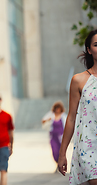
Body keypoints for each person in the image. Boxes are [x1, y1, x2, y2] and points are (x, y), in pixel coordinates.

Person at [58, 29, 97, 184]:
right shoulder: (79, 80)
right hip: (88, 146)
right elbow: (71, 118)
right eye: (96, 44)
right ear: (89, 49)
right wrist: (62, 154)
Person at [42, 101, 67, 166]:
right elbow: (43, 120)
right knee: (54, 151)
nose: (57, 110)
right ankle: (57, 163)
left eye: (59, 108)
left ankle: (60, 164)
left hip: (61, 137)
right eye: (56, 108)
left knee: (61, 151)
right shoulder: (51, 114)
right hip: (53, 136)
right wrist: (48, 119)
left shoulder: (63, 116)